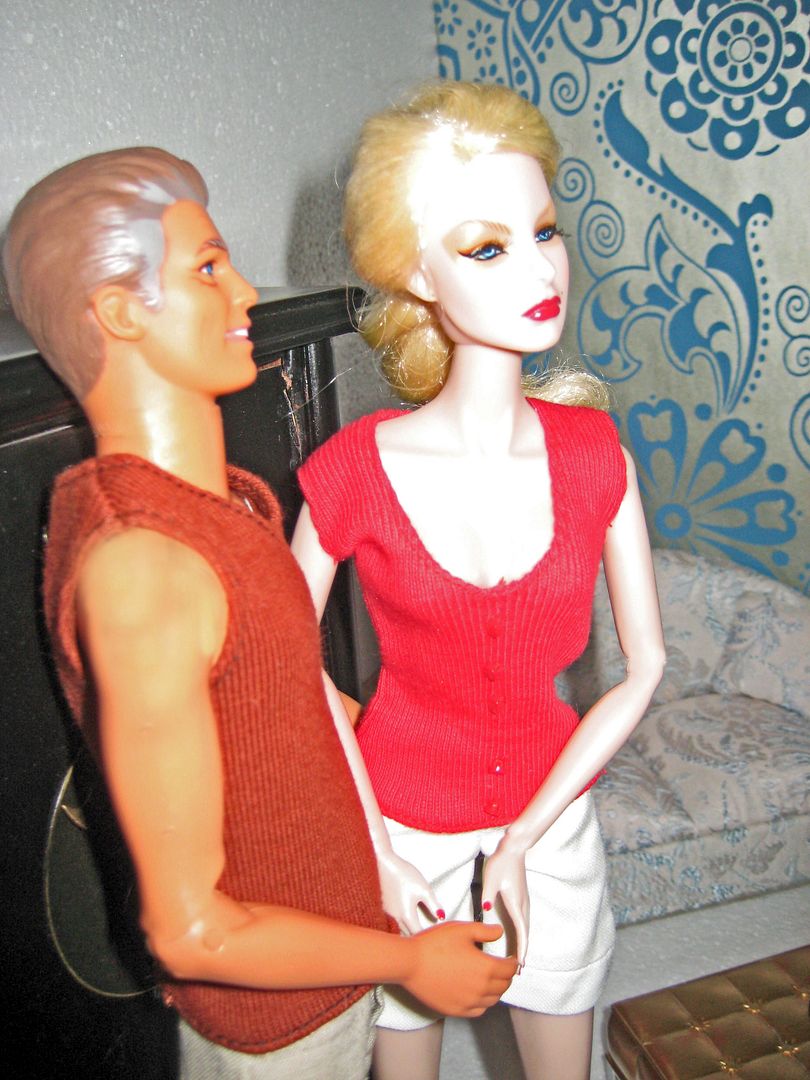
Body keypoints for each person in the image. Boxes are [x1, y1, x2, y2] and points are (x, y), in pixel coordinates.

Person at [2, 146, 516, 1080]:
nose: (245, 293)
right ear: (119, 313)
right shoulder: (144, 568)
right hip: (280, 1024)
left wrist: (412, 737)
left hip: (337, 941)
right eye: (207, 269)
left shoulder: (226, 505)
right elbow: (191, 929)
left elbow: (277, 691)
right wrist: (408, 964)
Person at [291, 82, 666, 1080]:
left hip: (551, 821)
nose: (540, 269)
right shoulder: (353, 470)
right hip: (400, 830)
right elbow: (284, 663)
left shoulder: (596, 456)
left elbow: (644, 667)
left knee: (564, 1050)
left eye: (545, 232)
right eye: (486, 247)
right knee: (402, 1053)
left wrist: (522, 839)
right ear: (418, 274)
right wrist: (376, 854)